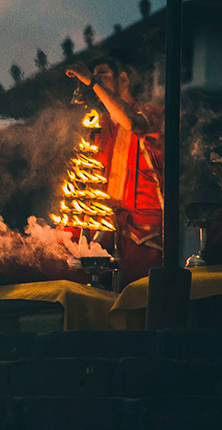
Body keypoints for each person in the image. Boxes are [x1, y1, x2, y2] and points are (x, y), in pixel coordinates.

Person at [65, 57, 164, 287]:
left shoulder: (152, 112)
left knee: (137, 297)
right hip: (109, 229)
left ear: (123, 78)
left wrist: (92, 81)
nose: (95, 82)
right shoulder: (102, 123)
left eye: (103, 75)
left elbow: (132, 123)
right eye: (95, 76)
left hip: (145, 234)